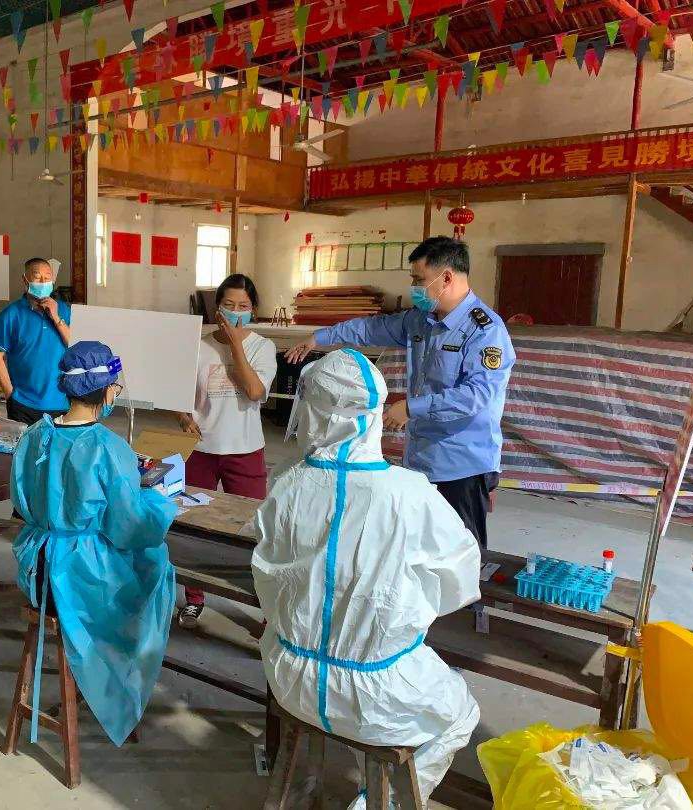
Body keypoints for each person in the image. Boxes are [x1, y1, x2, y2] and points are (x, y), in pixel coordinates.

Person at [252, 349, 482, 809]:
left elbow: (268, 576)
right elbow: (457, 584)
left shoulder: (285, 481)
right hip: (375, 693)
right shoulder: (410, 495)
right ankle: (377, 804)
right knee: (462, 712)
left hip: (289, 677)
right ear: (375, 413)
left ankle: (313, 783)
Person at [285, 236, 514, 548]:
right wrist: (320, 338)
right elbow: (371, 329)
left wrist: (411, 408)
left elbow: (477, 396)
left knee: (461, 554)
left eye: (419, 280)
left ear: (446, 278)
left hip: (462, 467)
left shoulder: (485, 331)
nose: (414, 288)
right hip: (420, 459)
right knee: (417, 549)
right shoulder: (421, 320)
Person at [10, 341, 177, 746]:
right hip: (80, 574)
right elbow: (129, 526)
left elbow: (21, 498)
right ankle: (114, 683)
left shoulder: (35, 435)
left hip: (38, 567)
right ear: (105, 390)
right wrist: (160, 502)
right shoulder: (107, 447)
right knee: (157, 569)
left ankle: (101, 679)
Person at [175, 273, 277, 628]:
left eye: (243, 306)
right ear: (216, 308)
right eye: (229, 305)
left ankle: (263, 605)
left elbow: (254, 391)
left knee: (253, 527)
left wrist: (235, 344)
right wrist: (183, 415)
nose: (235, 312)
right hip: (201, 449)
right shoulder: (197, 346)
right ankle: (194, 597)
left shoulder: (263, 347)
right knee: (192, 523)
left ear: (254, 310)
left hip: (245, 449)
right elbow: (178, 393)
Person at [0, 257, 72, 426]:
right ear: (25, 280)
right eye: (37, 277)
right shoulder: (11, 314)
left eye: (47, 277)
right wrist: (10, 395)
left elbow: (74, 346)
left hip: (61, 403)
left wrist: (56, 317)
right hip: (23, 404)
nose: (43, 282)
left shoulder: (64, 310)